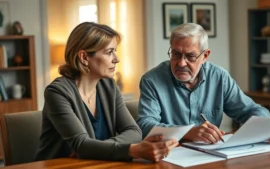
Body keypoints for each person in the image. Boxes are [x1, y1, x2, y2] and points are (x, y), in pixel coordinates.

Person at [35, 22, 178, 162]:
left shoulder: (108, 86)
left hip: (99, 164)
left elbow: (134, 131)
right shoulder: (57, 92)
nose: (116, 59)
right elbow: (82, 145)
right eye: (109, 52)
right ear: (84, 57)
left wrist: (96, 149)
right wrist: (133, 150)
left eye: (115, 51)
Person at [137, 23, 270, 144]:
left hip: (211, 156)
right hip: (169, 156)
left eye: (190, 56)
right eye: (176, 54)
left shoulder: (219, 77)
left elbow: (250, 109)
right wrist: (188, 132)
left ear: (205, 56)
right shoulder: (152, 80)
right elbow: (145, 125)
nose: (181, 63)